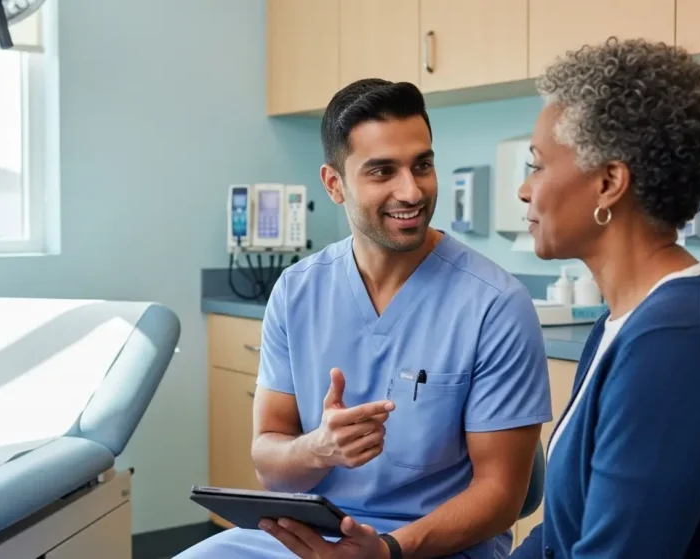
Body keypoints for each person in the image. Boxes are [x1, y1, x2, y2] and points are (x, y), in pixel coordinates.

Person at [176, 79, 552, 559]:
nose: (411, 190)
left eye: (423, 165)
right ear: (335, 184)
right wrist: (318, 448)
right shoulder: (296, 291)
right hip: (307, 540)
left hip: (429, 547)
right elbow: (269, 466)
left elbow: (501, 496)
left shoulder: (495, 304)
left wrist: (388, 551)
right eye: (382, 171)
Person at [509, 37, 700, 559]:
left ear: (608, 183)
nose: (525, 191)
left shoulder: (680, 343)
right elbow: (560, 532)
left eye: (537, 166)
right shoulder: (624, 322)